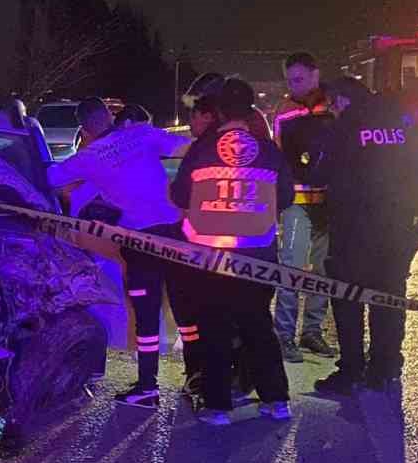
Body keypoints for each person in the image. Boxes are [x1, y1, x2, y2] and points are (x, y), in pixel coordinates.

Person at [48, 97, 197, 407]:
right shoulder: (141, 135)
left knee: (146, 315)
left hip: (140, 241)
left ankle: (147, 387)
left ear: (83, 128)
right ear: (109, 116)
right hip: (175, 234)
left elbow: (50, 178)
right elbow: (187, 147)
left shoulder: (88, 156)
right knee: (185, 309)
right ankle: (199, 377)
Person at [170, 78, 292, 426]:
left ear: (220, 111)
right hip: (256, 256)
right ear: (251, 109)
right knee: (258, 325)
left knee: (214, 329)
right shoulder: (268, 150)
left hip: (210, 257)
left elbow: (179, 196)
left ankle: (218, 406)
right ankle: (276, 401)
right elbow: (286, 197)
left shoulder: (202, 149)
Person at [312, 75, 418, 396]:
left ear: (342, 100)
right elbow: (417, 170)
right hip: (398, 227)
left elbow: (320, 172)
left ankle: (351, 370)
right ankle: (385, 367)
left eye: (332, 103)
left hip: (353, 230)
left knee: (349, 299)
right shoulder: (401, 119)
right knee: (389, 298)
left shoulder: (345, 126)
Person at [271, 52, 337, 362]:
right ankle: (284, 336)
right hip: (297, 201)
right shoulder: (285, 114)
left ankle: (312, 331)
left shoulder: (335, 107)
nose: (294, 86)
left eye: (298, 79)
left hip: (328, 202)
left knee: (322, 271)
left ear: (315, 74)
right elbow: (280, 158)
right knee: (291, 270)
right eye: (289, 81)